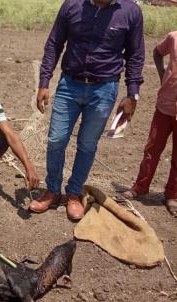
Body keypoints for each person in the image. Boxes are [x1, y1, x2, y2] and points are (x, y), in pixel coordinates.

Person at [30, 0, 145, 220]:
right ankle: (53, 190)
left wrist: (132, 94)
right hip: (69, 86)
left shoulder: (131, 12)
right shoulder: (72, 5)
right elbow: (54, 43)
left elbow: (135, 56)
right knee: (56, 139)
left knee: (87, 144)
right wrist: (44, 82)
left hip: (105, 89)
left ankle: (74, 193)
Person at [121, 31, 177, 218]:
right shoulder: (173, 37)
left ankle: (172, 195)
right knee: (152, 149)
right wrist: (162, 75)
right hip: (165, 105)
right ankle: (140, 187)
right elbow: (157, 52)